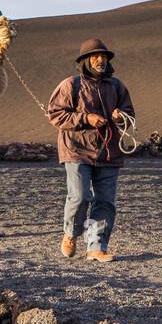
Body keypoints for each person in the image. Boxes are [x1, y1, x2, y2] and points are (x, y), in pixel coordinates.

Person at [46, 39, 135, 262]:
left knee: (105, 200)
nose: (100, 60)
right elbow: (55, 114)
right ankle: (71, 233)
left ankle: (96, 246)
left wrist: (120, 116)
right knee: (79, 196)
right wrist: (86, 118)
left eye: (104, 56)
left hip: (108, 151)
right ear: (85, 60)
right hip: (76, 149)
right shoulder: (71, 85)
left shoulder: (117, 86)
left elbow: (130, 115)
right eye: (95, 56)